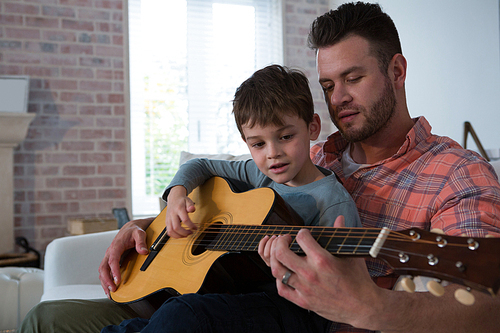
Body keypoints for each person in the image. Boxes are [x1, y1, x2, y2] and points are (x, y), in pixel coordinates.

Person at [20, 2, 500, 333]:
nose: (340, 99)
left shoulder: (458, 176)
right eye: (329, 84)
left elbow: (487, 310)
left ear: (396, 71)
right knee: (48, 318)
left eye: (353, 78)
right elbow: (221, 193)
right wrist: (154, 224)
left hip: (291, 320)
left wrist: (371, 305)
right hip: (219, 296)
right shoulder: (311, 156)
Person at [99, 63, 362, 332]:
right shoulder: (262, 176)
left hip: (294, 311)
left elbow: (344, 290)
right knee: (127, 327)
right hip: (239, 296)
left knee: (183, 312)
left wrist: (291, 270)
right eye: (258, 144)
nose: (273, 153)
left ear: (313, 127)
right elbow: (199, 165)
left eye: (285, 136)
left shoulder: (333, 202)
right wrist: (177, 195)